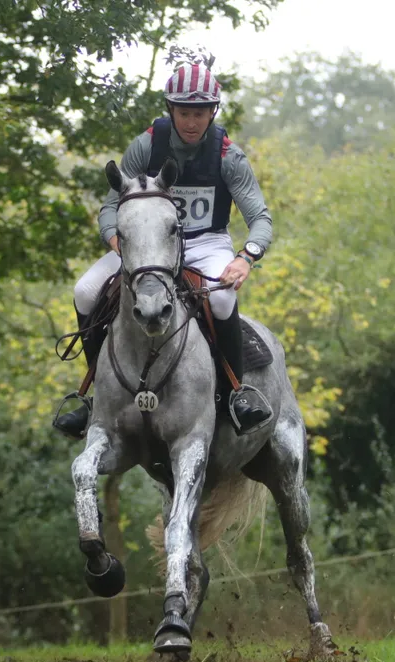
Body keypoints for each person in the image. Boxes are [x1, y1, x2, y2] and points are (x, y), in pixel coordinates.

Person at [53, 63, 274, 439]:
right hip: (147, 246)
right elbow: (110, 207)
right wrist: (116, 240)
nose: (191, 122)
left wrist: (245, 256)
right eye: (184, 112)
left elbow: (261, 218)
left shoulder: (227, 156)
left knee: (221, 303)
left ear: (212, 113)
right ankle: (94, 397)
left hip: (206, 243)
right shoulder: (145, 145)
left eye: (200, 113)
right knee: (85, 292)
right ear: (171, 110)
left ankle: (238, 393)